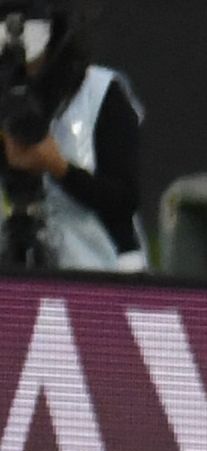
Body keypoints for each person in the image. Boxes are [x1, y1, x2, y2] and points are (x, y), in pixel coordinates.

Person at [0, 7, 141, 275]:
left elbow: (123, 199)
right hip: (11, 278)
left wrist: (58, 167)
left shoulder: (100, 92)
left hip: (101, 273)